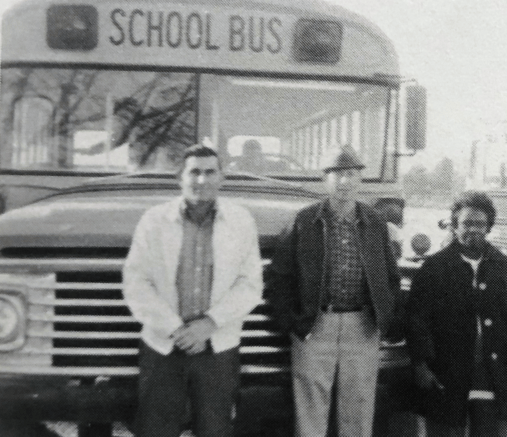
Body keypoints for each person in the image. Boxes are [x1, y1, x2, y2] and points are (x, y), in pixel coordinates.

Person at [122, 144, 263, 437]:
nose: (202, 180)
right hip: (163, 347)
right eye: (194, 172)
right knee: (155, 431)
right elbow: (136, 282)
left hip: (217, 347)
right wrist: (176, 329)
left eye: (210, 172)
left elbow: (249, 284)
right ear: (180, 177)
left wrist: (209, 324)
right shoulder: (153, 221)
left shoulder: (241, 222)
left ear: (221, 177)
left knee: (215, 430)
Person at [268, 144, 400, 437]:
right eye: (337, 174)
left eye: (351, 174)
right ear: (325, 180)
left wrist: (382, 320)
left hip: (362, 327)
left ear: (360, 180)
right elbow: (278, 278)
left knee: (358, 413)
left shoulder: (375, 222)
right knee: (311, 415)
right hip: (316, 326)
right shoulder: (304, 221)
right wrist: (293, 323)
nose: (345, 182)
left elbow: (391, 276)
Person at [405, 191, 507, 437]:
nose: (473, 229)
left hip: (493, 374)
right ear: (454, 226)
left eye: (480, 224)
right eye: (466, 223)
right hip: (446, 374)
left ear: (488, 228)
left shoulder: (506, 268)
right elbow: (416, 320)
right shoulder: (434, 268)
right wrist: (421, 365)